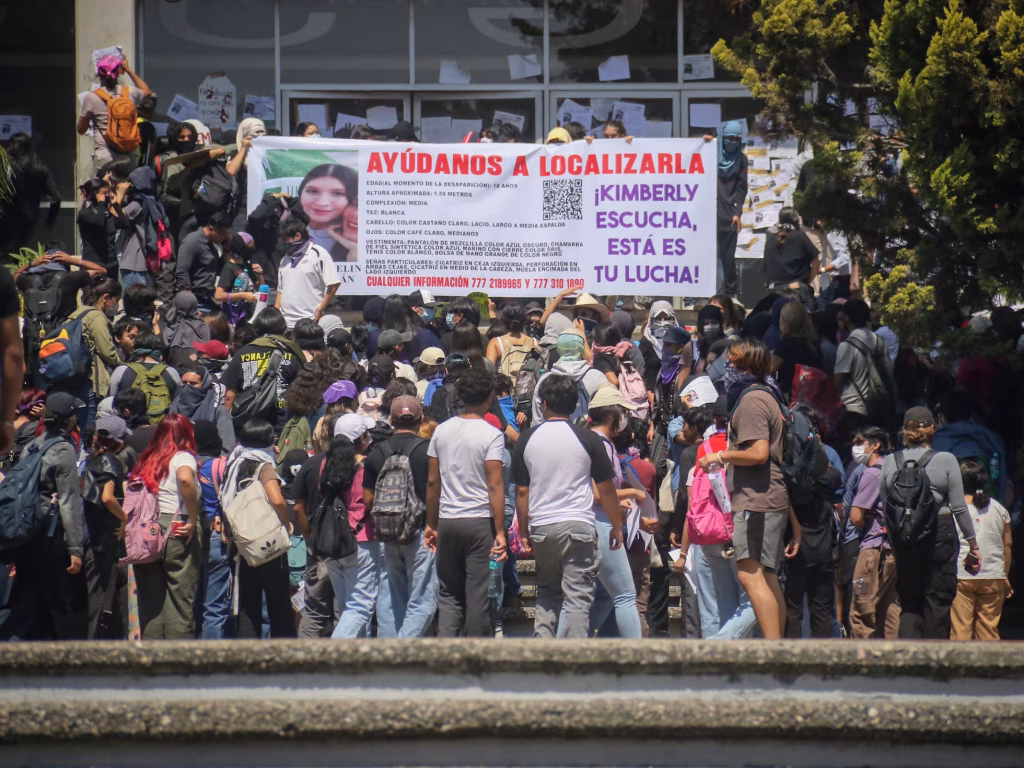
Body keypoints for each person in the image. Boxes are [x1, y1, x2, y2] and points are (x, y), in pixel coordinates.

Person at [700, 340, 800, 639]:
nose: (727, 368)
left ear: (746, 368)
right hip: (766, 497)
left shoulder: (752, 400)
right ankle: (777, 649)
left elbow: (758, 453)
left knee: (749, 574)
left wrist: (720, 456)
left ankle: (771, 651)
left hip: (757, 499)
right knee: (767, 576)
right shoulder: (765, 394)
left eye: (732, 362)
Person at [512, 374, 622, 638]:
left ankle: (542, 651)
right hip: (578, 527)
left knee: (547, 593)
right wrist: (617, 525)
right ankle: (572, 656)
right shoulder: (588, 439)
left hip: (542, 527)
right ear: (575, 406)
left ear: (544, 404)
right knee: (577, 597)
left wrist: (524, 532)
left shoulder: (526, 439)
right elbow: (606, 489)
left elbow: (522, 491)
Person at [880, 407, 981, 639]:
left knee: (909, 603)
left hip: (905, 537)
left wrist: (896, 543)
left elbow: (887, 510)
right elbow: (959, 507)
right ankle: (935, 659)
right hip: (940, 533)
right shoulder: (946, 460)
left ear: (904, 432)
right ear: (932, 430)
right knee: (938, 601)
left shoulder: (889, 462)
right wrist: (973, 545)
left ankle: (908, 658)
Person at [423, 369, 507, 637]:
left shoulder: (441, 431)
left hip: (448, 521)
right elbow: (495, 484)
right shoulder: (492, 434)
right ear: (490, 397)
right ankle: (475, 655)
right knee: (478, 595)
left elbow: (433, 482)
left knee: (449, 594)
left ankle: (447, 652)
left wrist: (431, 524)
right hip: (480, 523)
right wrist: (500, 531)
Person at [0, 392, 87, 640]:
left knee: (26, 594)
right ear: (70, 419)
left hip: (27, 527)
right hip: (49, 534)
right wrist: (75, 548)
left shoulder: (33, 445)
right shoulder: (64, 449)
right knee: (49, 599)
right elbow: (69, 501)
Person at [362, 396, 437, 637]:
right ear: (420, 419)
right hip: (421, 532)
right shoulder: (428, 451)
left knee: (394, 600)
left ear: (392, 421)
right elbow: (435, 490)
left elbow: (367, 499)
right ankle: (403, 649)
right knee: (423, 601)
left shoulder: (376, 453)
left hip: (387, 534)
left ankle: (393, 649)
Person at [219, 419, 297, 638]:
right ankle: (286, 650)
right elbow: (277, 500)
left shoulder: (233, 463)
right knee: (279, 603)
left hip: (242, 545)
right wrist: (286, 523)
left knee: (247, 604)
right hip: (267, 543)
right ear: (268, 441)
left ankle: (249, 653)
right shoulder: (263, 465)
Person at [579, 387, 645, 638]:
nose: (626, 418)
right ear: (611, 416)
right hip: (602, 524)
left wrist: (618, 501)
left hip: (590, 521)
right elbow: (598, 493)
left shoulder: (588, 441)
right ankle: (635, 654)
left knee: (596, 594)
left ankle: (574, 644)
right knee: (626, 595)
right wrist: (633, 493)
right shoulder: (602, 445)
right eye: (623, 413)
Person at [131, 414, 203, 639]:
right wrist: (192, 518)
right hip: (177, 527)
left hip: (146, 531)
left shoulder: (147, 458)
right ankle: (177, 656)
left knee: (151, 602)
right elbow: (185, 479)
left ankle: (152, 654)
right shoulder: (183, 457)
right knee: (180, 599)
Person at [81, 415, 132, 639]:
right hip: (102, 541)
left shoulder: (90, 460)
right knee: (99, 600)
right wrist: (124, 518)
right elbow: (108, 498)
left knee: (91, 597)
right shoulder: (111, 462)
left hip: (89, 537)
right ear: (119, 442)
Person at [951, 459, 1012, 640]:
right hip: (993, 575)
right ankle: (991, 659)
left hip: (962, 574)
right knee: (988, 631)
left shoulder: (954, 508)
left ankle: (960, 659)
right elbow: (1007, 545)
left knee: (961, 630)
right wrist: (1005, 576)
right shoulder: (999, 509)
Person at [848, 427, 900, 639]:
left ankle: (864, 655)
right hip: (893, 550)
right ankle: (893, 654)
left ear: (876, 445)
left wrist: (864, 522)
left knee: (861, 607)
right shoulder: (894, 469)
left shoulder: (871, 474)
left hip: (872, 551)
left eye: (860, 442)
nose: (855, 447)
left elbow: (855, 517)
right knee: (890, 608)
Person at [222, 308, 305, 429]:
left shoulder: (242, 353)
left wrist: (226, 428)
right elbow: (302, 392)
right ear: (282, 329)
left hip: (249, 424)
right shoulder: (293, 354)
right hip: (283, 424)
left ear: (256, 329)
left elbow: (229, 396)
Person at [59, 276, 123, 428]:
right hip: (91, 380)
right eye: (115, 301)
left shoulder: (76, 314)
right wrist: (123, 365)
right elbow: (107, 352)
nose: (115, 306)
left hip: (72, 377)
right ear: (106, 298)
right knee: (89, 426)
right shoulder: (96, 317)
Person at [77, 54, 152, 172]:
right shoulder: (131, 92)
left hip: (106, 157)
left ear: (99, 74)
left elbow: (81, 129)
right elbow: (147, 92)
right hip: (129, 157)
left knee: (102, 184)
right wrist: (128, 69)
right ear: (119, 72)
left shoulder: (92, 97)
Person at [192, 420, 231, 639]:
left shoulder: (184, 465)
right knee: (215, 604)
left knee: (195, 599)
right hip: (217, 536)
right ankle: (212, 653)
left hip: (191, 536)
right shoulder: (219, 465)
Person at [833, 298, 894, 430]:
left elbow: (838, 381)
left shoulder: (846, 345)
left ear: (847, 318)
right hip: (879, 407)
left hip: (854, 409)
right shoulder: (880, 341)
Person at [275, 218, 341, 329]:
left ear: (297, 236)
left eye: (285, 240)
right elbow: (280, 290)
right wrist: (277, 314)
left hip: (309, 322)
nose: (283, 244)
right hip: (285, 324)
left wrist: (320, 310)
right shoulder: (285, 259)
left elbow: (334, 284)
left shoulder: (318, 254)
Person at [0, 134, 61, 254]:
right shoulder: (40, 169)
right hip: (29, 219)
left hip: (7, 218)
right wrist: (50, 222)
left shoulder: (7, 167)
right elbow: (56, 198)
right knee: (20, 251)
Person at [530, 332, 607, 425]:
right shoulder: (597, 377)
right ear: (581, 349)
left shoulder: (545, 380)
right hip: (588, 433)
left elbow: (537, 420)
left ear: (559, 349)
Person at [107, 331, 181, 418]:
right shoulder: (172, 372)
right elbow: (177, 404)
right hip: (161, 424)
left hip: (130, 425)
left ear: (134, 348)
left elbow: (112, 403)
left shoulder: (121, 371)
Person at [296, 164, 359, 262]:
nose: (322, 203)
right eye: (312, 191)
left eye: (338, 193)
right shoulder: (284, 224)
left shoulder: (353, 239)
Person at [763, 208, 820, 311]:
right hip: (795, 291)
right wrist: (807, 282)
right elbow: (816, 262)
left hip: (773, 289)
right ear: (796, 220)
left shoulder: (770, 238)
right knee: (809, 316)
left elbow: (766, 265)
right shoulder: (800, 236)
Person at [170, 365, 236, 453]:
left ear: (204, 385)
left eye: (193, 383)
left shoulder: (217, 410)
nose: (187, 387)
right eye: (184, 382)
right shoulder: (175, 406)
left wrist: (219, 459)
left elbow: (227, 443)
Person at [175, 213, 233, 313]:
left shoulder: (212, 243)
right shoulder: (192, 241)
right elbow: (182, 271)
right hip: (196, 300)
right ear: (210, 229)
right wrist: (190, 303)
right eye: (222, 234)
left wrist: (227, 248)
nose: (224, 237)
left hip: (209, 299)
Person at [715, 121, 748, 297]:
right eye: (729, 138)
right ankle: (701, 297)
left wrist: (738, 213)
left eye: (737, 139)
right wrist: (705, 143)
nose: (733, 142)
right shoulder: (711, 154)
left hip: (729, 216)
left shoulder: (741, 159)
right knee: (708, 257)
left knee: (728, 259)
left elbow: (742, 188)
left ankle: (730, 296)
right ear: (722, 137)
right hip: (708, 215)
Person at [77, 178, 129, 279]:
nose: (108, 195)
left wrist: (115, 205)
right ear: (95, 194)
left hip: (111, 264)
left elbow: (125, 224)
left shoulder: (107, 215)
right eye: (104, 193)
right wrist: (101, 203)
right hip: (93, 264)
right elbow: (99, 224)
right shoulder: (85, 213)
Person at [771, 301, 823, 401]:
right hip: (814, 397)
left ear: (785, 321)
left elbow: (771, 369)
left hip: (793, 398)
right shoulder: (813, 343)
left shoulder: (786, 343)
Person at [366, 294, 442, 361]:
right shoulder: (426, 335)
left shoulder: (374, 337)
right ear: (408, 312)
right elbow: (440, 356)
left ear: (383, 314)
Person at [216, 232, 265, 325]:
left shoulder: (246, 265)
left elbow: (259, 288)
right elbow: (218, 295)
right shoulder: (229, 268)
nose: (252, 249)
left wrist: (260, 274)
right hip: (232, 319)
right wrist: (243, 295)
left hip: (248, 317)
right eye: (250, 246)